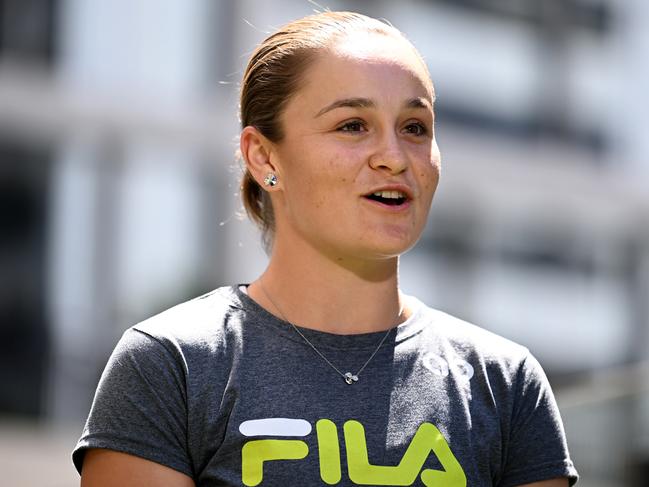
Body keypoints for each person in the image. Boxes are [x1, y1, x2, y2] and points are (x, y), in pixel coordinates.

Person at [73, 10, 579, 487]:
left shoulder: (506, 383)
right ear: (263, 155)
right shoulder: (170, 365)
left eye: (415, 128)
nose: (394, 158)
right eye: (352, 126)